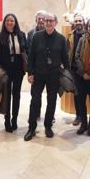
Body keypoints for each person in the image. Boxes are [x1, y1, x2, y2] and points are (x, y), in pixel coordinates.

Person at [25, 13, 69, 141]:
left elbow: (65, 58)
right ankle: (31, 128)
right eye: (46, 21)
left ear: (56, 22)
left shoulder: (61, 38)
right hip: (38, 74)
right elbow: (31, 56)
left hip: (54, 75)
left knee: (52, 101)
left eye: (51, 20)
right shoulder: (36, 37)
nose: (48, 23)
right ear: (43, 22)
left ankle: (48, 126)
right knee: (35, 101)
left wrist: (66, 74)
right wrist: (30, 73)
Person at [0, 13, 27, 132]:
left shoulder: (21, 35)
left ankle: (14, 120)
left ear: (15, 23)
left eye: (12, 21)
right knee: (6, 96)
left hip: (18, 69)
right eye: (8, 21)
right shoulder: (0, 36)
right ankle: (7, 120)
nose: (10, 23)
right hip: (6, 69)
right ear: (5, 23)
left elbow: (25, 50)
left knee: (17, 95)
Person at [67, 13, 86, 127]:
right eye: (76, 21)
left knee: (89, 94)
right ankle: (78, 115)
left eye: (80, 21)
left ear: (84, 22)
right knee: (77, 93)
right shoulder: (69, 35)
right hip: (74, 69)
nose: (78, 23)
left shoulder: (88, 35)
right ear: (73, 23)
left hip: (85, 70)